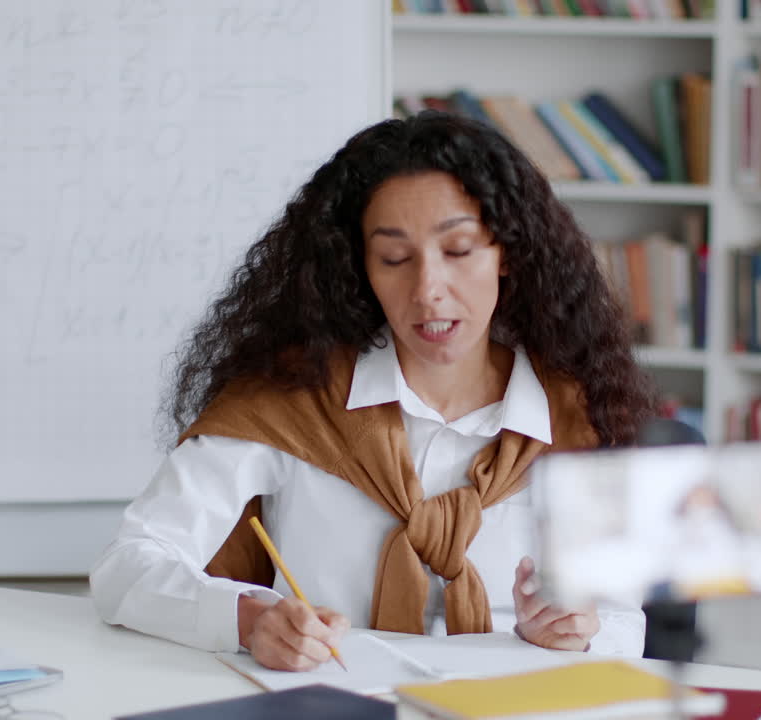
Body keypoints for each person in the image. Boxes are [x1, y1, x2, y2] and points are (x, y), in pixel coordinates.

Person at [90, 111, 658, 671]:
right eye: (394, 258)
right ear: (359, 267)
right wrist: (249, 619)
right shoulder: (292, 398)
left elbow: (622, 619)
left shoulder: (577, 419)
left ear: (506, 252)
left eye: (458, 251)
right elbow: (127, 567)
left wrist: (574, 631)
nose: (428, 290)